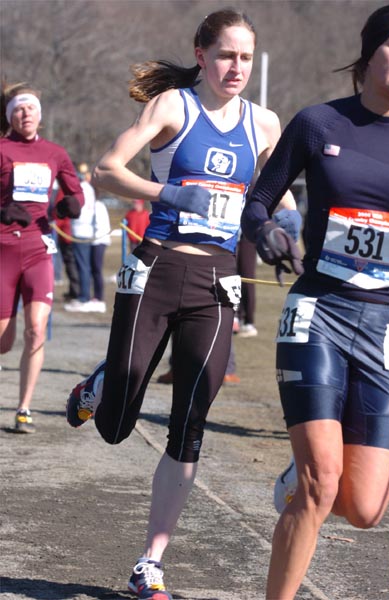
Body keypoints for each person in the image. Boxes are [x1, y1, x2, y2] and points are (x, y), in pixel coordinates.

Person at [65, 9, 299, 598]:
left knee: (190, 421)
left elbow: (282, 200)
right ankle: (100, 388)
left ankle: (151, 563)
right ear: (201, 54)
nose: (236, 67)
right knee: (117, 425)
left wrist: (284, 231)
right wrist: (172, 191)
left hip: (217, 282)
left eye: (245, 57)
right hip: (156, 267)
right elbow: (107, 170)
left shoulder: (265, 124)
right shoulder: (174, 106)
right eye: (226, 55)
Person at [241, 4, 389, 598]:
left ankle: (303, 475)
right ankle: (309, 479)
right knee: (320, 487)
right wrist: (269, 235)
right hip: (320, 313)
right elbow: (257, 202)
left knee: (362, 509)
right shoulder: (317, 124)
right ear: (368, 55)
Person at [0, 82, 84, 433]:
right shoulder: (2, 149)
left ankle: (24, 408)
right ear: (10, 115)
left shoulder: (55, 153)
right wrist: (3, 210)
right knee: (3, 342)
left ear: (40, 114)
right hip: (3, 249)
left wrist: (72, 204)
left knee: (36, 331)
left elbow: (75, 192)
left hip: (38, 249)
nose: (25, 114)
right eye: (19, 109)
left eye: (31, 108)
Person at [64, 162, 98, 313]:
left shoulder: (81, 188)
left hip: (80, 229)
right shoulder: (90, 188)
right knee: (84, 265)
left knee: (82, 266)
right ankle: (84, 294)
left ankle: (84, 296)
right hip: (86, 229)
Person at [90, 198, 111, 313]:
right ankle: (96, 296)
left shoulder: (97, 206)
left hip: (98, 240)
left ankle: (99, 297)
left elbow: (97, 224)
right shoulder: (98, 205)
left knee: (97, 269)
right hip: (96, 240)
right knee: (94, 269)